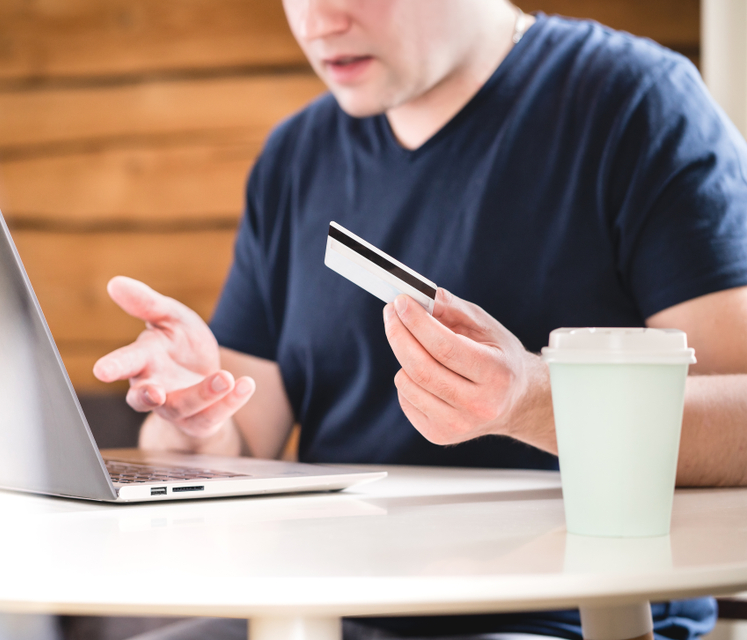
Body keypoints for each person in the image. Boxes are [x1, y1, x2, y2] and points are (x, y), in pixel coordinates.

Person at [92, 0, 747, 638]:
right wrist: (194, 420)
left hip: (564, 617)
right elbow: (241, 439)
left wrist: (531, 400)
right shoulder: (295, 155)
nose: (320, 21)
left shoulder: (635, 104)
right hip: (323, 611)